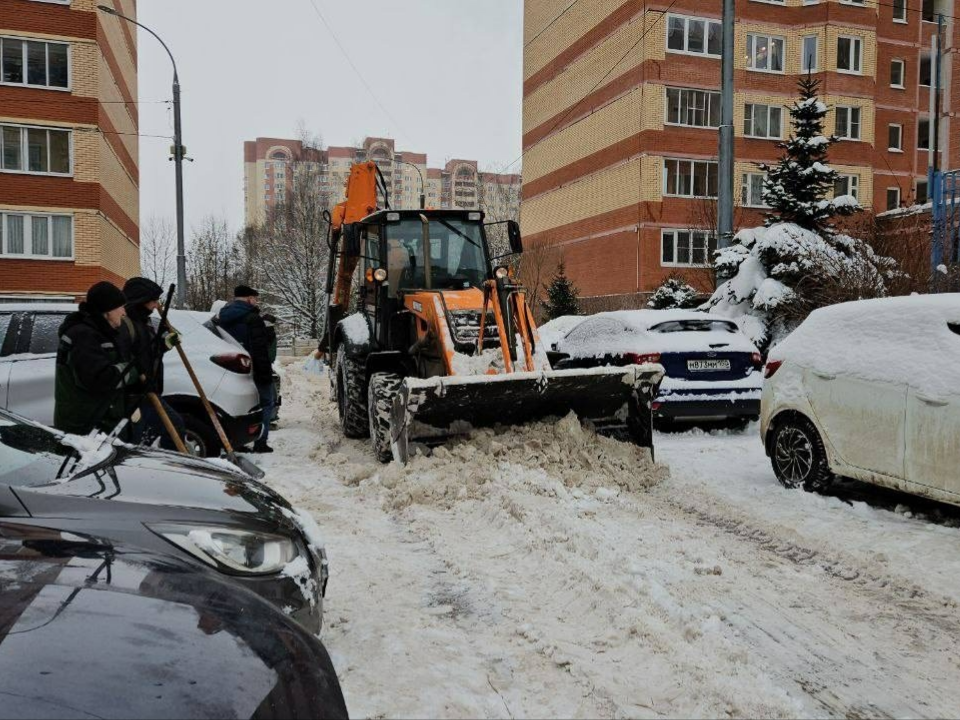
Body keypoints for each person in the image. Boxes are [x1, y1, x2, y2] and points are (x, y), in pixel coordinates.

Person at [54, 281, 133, 436]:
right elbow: (100, 379)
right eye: (120, 307)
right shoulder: (83, 336)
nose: (124, 312)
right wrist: (134, 369)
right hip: (85, 429)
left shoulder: (103, 331)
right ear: (107, 311)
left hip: (102, 422)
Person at [118, 277, 185, 451]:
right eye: (153, 301)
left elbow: (147, 351)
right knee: (133, 444)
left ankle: (169, 468)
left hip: (149, 391)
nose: (156, 306)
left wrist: (164, 343)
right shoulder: (124, 325)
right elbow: (126, 359)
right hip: (133, 396)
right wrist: (138, 378)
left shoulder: (143, 321)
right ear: (140, 300)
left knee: (172, 428)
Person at [218, 285, 274, 453]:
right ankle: (260, 442)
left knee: (237, 405)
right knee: (266, 403)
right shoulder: (252, 318)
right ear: (249, 298)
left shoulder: (221, 317)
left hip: (229, 368)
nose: (256, 301)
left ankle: (237, 441)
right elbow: (260, 350)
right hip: (253, 368)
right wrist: (265, 374)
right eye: (255, 298)